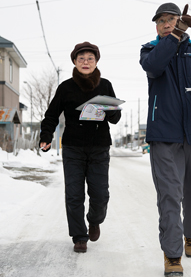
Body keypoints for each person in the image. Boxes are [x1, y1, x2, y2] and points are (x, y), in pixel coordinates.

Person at [139, 3, 191, 276]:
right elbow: (154, 67)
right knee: (170, 196)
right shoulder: (150, 50)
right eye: (161, 21)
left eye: (171, 19)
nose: (166, 24)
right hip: (163, 134)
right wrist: (174, 36)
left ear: (180, 20)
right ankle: (172, 255)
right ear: (157, 26)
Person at [39, 41, 121, 253]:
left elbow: (116, 118)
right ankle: (79, 236)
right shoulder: (65, 87)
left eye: (90, 59)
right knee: (74, 194)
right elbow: (51, 115)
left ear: (96, 62)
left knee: (100, 194)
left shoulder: (105, 85)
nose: (86, 62)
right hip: (73, 148)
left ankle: (94, 221)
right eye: (81, 59)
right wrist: (46, 135)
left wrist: (108, 109)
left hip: (99, 147)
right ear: (74, 62)